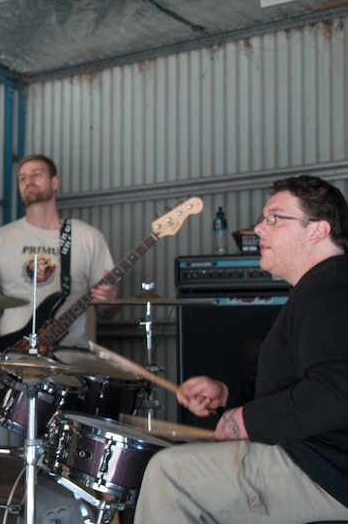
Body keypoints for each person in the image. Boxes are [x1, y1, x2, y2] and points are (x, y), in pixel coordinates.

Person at [134, 175, 348, 523]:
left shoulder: (332, 290)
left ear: (317, 230)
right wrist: (228, 392)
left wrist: (247, 420)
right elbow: (293, 384)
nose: (259, 229)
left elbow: (335, 392)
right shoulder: (321, 288)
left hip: (325, 473)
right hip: (309, 458)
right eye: (263, 219)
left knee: (169, 473)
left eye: (275, 218)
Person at [0, 154, 119, 444]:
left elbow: (109, 310)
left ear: (55, 182)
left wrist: (109, 297)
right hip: (14, 362)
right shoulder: (1, 239)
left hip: (71, 367)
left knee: (61, 459)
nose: (28, 181)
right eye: (22, 178)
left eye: (36, 174)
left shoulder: (87, 238)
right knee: (4, 458)